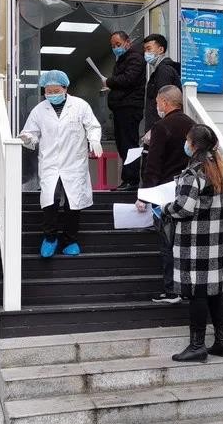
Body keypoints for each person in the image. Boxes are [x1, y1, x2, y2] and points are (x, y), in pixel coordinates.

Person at [162, 124, 223, 361]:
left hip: (194, 243)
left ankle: (197, 345)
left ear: (193, 144)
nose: (185, 144)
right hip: (214, 241)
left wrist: (165, 208)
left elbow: (184, 207)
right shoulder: (218, 169)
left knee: (197, 293)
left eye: (187, 140)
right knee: (214, 292)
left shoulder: (193, 173)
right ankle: (222, 341)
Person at [19, 70, 102, 259]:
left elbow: (93, 126)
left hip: (74, 163)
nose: (52, 94)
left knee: (73, 203)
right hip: (50, 164)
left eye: (56, 91)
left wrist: (94, 139)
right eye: (48, 91)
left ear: (65, 89)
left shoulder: (80, 106)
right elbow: (31, 132)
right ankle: (50, 238)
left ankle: (70, 241)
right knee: (51, 200)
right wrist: (27, 138)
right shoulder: (39, 110)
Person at [137, 85, 195, 304]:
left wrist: (144, 195)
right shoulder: (193, 125)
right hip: (188, 191)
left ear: (165, 102)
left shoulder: (161, 127)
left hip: (164, 194)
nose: (157, 107)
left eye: (157, 103)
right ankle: (187, 287)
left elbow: (153, 165)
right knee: (185, 243)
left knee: (167, 242)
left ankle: (172, 290)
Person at [103, 31, 146, 191]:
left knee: (128, 144)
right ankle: (127, 179)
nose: (115, 48)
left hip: (129, 107)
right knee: (123, 144)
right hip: (122, 107)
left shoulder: (135, 58)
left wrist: (109, 82)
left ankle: (132, 180)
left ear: (128, 42)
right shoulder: (123, 59)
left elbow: (129, 79)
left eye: (118, 44)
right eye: (113, 46)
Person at [142, 34, 181, 135]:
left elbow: (164, 101)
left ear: (161, 49)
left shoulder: (164, 70)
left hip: (161, 127)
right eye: (145, 50)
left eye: (149, 49)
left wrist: (156, 128)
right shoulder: (160, 70)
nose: (146, 53)